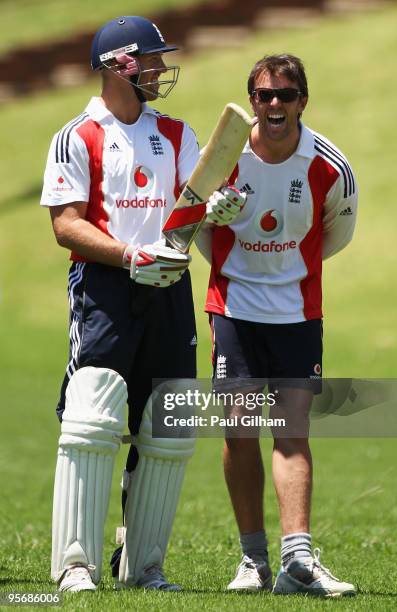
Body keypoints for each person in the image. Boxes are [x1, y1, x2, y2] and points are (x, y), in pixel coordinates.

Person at [40, 15, 242, 593]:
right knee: (93, 412)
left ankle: (144, 565)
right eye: (150, 59)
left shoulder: (176, 134)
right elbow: (65, 226)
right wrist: (131, 256)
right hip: (105, 287)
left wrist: (217, 207)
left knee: (171, 419)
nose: (159, 68)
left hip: (170, 287)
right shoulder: (77, 135)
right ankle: (75, 567)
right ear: (117, 65)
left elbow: (190, 203)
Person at [202, 54, 358, 597]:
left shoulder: (329, 164)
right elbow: (184, 224)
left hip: (296, 313)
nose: (274, 105)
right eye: (264, 95)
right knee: (239, 433)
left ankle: (296, 561)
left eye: (285, 95)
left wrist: (290, 269)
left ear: (302, 101)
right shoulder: (223, 155)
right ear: (252, 101)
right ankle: (253, 561)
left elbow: (338, 232)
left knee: (293, 434)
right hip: (234, 311)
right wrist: (208, 215)